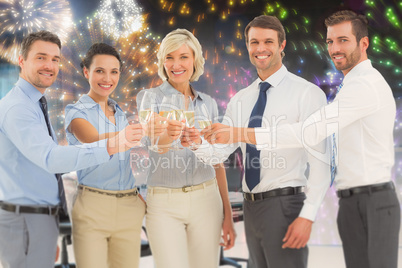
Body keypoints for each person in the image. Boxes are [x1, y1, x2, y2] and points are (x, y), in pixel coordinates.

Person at [203, 10, 401, 268]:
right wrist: (197, 140)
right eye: (330, 41)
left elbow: (308, 133)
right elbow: (220, 151)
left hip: (371, 200)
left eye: (343, 40)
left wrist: (240, 133)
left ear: (363, 43)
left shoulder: (363, 86)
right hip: (350, 201)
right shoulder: (350, 85)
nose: (334, 48)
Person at [179, 15, 331, 268]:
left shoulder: (307, 93)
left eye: (268, 41)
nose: (261, 49)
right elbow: (219, 153)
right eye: (254, 42)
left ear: (282, 45)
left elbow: (322, 162)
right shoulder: (241, 99)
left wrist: (308, 215)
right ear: (247, 46)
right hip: (251, 207)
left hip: (285, 205)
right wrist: (195, 142)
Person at [0, 31, 144, 268]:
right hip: (25, 219)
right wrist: (115, 143)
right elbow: (51, 158)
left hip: (37, 219)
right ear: (21, 60)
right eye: (41, 57)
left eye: (55, 59)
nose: (50, 65)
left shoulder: (33, 104)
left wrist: (49, 228)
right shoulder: (18, 107)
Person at [136, 28, 236, 268]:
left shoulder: (208, 104)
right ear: (162, 62)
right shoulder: (149, 98)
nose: (176, 64)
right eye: (169, 57)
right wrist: (166, 137)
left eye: (183, 57)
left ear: (195, 60)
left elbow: (216, 160)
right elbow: (154, 145)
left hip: (207, 201)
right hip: (163, 204)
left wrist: (228, 214)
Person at [64, 43, 162, 268]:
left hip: (129, 207)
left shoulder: (119, 113)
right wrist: (133, 133)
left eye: (114, 71)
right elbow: (92, 138)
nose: (107, 78)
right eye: (99, 70)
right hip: (93, 208)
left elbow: (124, 161)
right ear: (86, 72)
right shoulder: (76, 112)